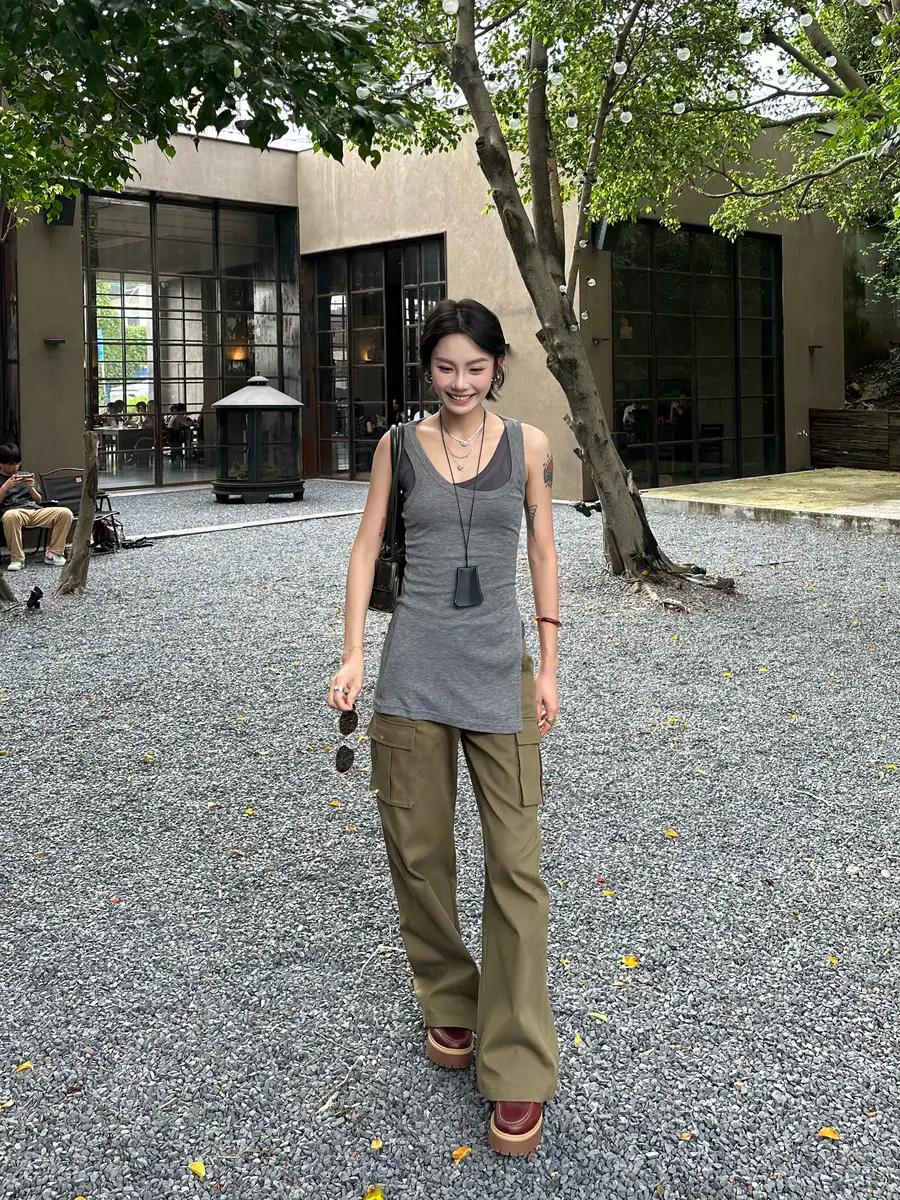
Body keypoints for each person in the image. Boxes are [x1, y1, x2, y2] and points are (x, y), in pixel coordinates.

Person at [327, 298, 561, 1157]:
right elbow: (365, 547)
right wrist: (353, 653)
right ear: (427, 368)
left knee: (517, 869)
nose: (460, 383)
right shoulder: (397, 447)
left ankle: (519, 1063)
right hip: (413, 678)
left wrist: (551, 664)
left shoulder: (530, 446)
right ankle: (451, 1001)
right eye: (445, 367)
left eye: (476, 367)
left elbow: (542, 549)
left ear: (497, 367)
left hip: (500, 678)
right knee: (420, 857)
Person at [0, 444, 73, 572]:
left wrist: (31, 488)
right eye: (10, 464)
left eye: (17, 463)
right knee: (10, 516)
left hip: (34, 510)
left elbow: (39, 501)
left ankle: (54, 553)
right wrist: (5, 487)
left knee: (65, 513)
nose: (15, 467)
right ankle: (17, 558)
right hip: (13, 513)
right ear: (1, 463)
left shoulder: (25, 475)